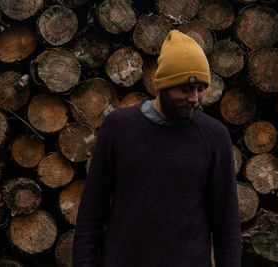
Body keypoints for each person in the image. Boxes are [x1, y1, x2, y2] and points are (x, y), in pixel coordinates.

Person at [73, 30, 242, 267]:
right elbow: (91, 213)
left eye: (201, 88)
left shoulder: (214, 137)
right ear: (162, 85)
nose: (195, 98)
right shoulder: (118, 129)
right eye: (185, 89)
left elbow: (227, 225)